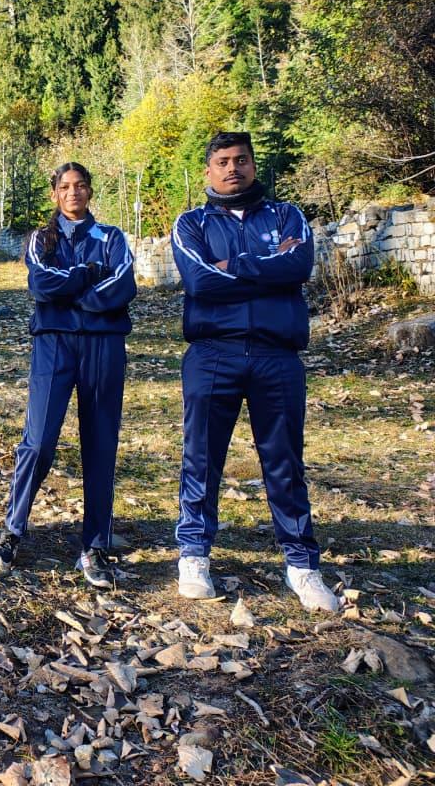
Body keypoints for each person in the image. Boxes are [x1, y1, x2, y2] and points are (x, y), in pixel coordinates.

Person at [171, 131, 339, 613]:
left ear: (252, 164)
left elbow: (298, 265)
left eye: (241, 159)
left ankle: (302, 564)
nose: (233, 168)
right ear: (208, 171)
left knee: (284, 462)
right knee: (201, 457)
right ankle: (194, 554)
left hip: (276, 355)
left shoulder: (287, 216)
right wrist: (267, 267)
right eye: (223, 161)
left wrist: (233, 266)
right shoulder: (191, 223)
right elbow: (199, 280)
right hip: (213, 353)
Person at [0, 163, 135, 588]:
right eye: (65, 187)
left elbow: (123, 285)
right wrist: (87, 274)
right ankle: (12, 530)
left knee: (100, 442)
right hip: (53, 344)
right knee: (38, 440)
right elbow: (41, 285)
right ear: (55, 194)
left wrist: (74, 296)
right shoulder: (39, 240)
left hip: (103, 345)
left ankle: (95, 545)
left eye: (80, 186)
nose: (73, 193)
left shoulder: (112, 237)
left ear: (90, 191)